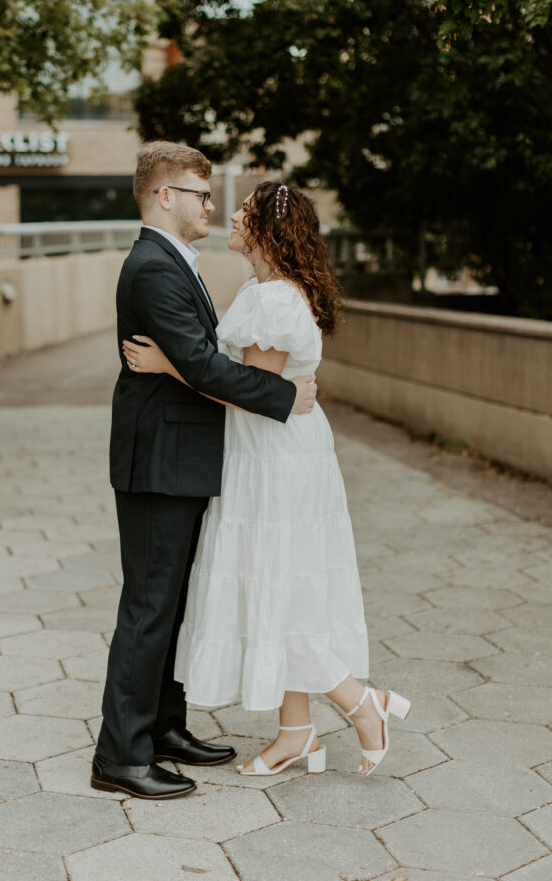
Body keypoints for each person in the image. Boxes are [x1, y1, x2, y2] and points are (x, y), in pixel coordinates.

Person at [122, 181, 411, 778]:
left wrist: (166, 363)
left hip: (274, 455)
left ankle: (363, 704)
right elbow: (257, 385)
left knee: (276, 585)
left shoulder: (274, 300)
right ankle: (296, 734)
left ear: (265, 231)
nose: (229, 213)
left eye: (244, 211)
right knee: (277, 583)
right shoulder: (266, 291)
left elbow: (252, 391)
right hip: (272, 450)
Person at [92, 144, 319, 801]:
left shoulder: (171, 262)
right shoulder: (154, 268)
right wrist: (283, 397)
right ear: (165, 196)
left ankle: (163, 729)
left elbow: (191, 361)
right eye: (198, 193)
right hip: (159, 462)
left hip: (179, 458)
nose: (209, 205)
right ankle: (121, 754)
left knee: (170, 604)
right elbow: (199, 364)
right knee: (148, 607)